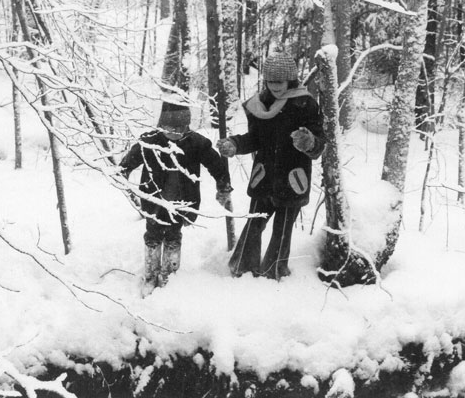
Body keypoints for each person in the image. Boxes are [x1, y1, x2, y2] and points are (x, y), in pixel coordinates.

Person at [216, 52, 325, 280]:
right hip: (264, 177)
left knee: (282, 231)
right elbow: (255, 139)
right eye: (271, 81)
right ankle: (241, 267)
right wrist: (235, 144)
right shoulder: (259, 105)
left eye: (280, 82)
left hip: (292, 179)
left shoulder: (305, 105)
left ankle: (273, 271)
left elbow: (320, 142)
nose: (275, 86)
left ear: (291, 80)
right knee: (254, 224)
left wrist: (309, 142)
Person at [120, 99, 232, 295]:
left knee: (173, 236)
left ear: (187, 125)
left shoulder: (196, 143)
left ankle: (168, 277)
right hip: (155, 202)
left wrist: (223, 186)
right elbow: (129, 161)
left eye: (180, 128)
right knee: (152, 236)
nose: (174, 133)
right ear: (161, 125)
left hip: (181, 202)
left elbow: (216, 164)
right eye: (169, 128)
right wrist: (123, 173)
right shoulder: (150, 141)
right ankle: (150, 275)